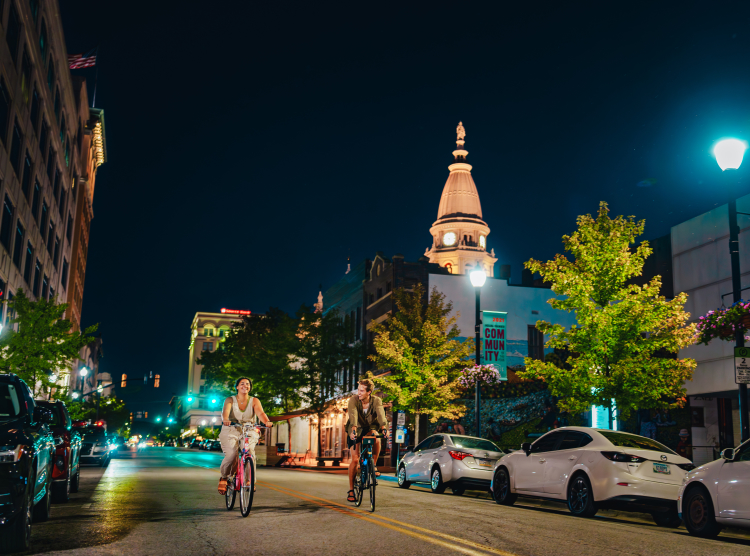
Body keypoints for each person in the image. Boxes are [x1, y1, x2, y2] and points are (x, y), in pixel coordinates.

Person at [217, 377, 272, 495]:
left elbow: (260, 413)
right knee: (232, 454)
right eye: (242, 384)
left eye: (247, 384)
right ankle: (224, 477)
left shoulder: (254, 401)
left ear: (250, 387)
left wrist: (266, 421)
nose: (245, 386)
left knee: (250, 452)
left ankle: (249, 480)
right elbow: (225, 412)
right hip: (231, 429)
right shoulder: (230, 400)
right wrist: (226, 419)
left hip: (249, 429)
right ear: (237, 387)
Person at [346, 379, 388, 503]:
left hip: (371, 427)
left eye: (362, 391)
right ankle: (351, 490)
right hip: (355, 428)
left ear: (369, 392)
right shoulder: (353, 400)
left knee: (375, 436)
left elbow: (381, 414)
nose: (359, 392)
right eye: (358, 390)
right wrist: (353, 429)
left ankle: (373, 464)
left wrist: (384, 427)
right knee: (354, 459)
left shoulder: (376, 401)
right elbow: (353, 414)